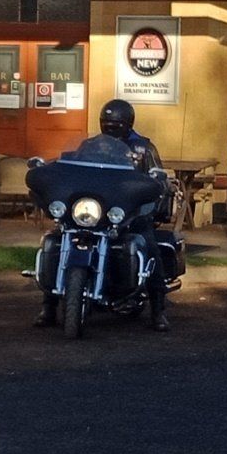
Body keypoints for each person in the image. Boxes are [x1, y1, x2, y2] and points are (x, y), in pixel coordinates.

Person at [35, 103, 175, 333]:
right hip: (94, 210)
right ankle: (48, 307)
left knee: (149, 247)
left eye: (116, 125)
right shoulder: (90, 145)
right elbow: (72, 170)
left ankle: (158, 311)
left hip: (128, 212)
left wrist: (157, 184)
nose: (111, 129)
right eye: (107, 124)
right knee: (56, 242)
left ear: (128, 124)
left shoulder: (143, 148)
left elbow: (158, 178)